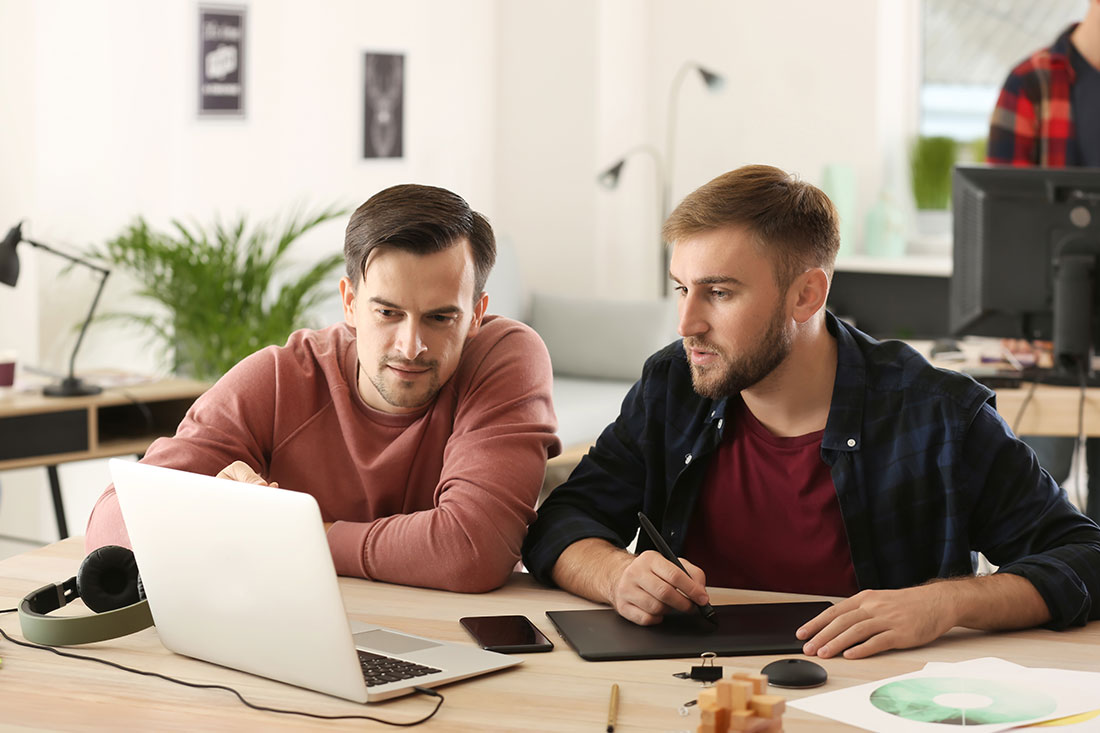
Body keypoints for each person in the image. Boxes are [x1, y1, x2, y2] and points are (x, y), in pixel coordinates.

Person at [522, 165, 1100, 660]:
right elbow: (562, 521)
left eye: (718, 293)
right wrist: (618, 574)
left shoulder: (941, 416)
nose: (686, 324)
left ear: (807, 295)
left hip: (870, 698)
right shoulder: (672, 383)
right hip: (687, 685)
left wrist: (942, 602)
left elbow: (1087, 557)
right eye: (681, 288)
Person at [87, 184, 561, 592]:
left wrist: (289, 533)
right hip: (309, 635)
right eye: (387, 312)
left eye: (440, 317)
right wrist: (223, 517)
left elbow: (471, 550)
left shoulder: (505, 357)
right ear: (350, 303)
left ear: (476, 314)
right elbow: (115, 524)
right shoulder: (279, 379)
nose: (411, 346)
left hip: (460, 642)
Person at [987, 0, 1100, 524]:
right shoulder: (1032, 82)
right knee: (1037, 513)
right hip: (1049, 339)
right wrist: (1017, 312)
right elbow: (1002, 225)